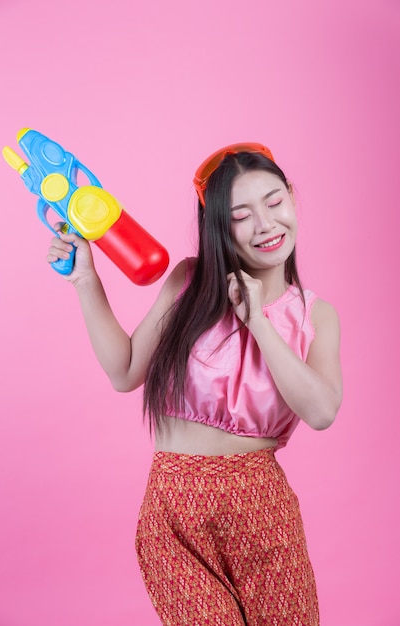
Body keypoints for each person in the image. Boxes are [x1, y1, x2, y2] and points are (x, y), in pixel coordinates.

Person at [47, 142, 342, 626]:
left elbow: (322, 411)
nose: (266, 225)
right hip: (174, 509)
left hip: (263, 510)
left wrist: (259, 323)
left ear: (291, 196)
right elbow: (124, 372)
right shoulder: (190, 282)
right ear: (217, 226)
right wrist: (85, 280)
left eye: (274, 202)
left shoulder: (316, 316)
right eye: (240, 215)